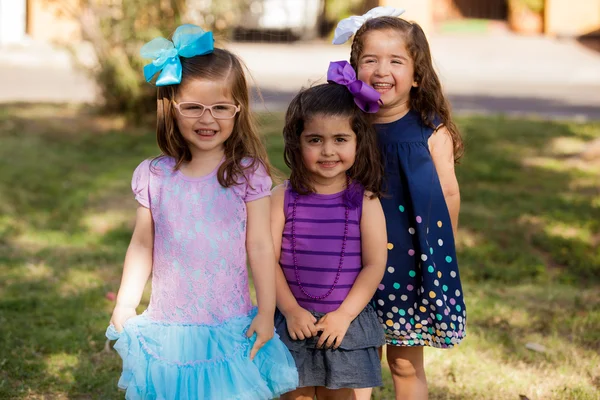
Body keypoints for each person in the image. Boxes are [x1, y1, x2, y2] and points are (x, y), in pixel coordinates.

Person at [105, 24, 298, 400]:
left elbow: (260, 246)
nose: (207, 119)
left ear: (237, 110)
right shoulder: (155, 176)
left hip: (227, 323)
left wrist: (266, 310)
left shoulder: (247, 174)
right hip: (170, 325)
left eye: (221, 108)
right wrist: (127, 303)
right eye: (193, 107)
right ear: (172, 108)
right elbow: (142, 245)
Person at [334, 7, 467, 400]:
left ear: (416, 73)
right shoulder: (344, 127)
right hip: (354, 263)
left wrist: (443, 253)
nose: (381, 70)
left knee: (405, 363)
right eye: (370, 59)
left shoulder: (430, 131)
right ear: (354, 66)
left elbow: (449, 194)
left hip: (410, 268)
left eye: (396, 61)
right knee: (358, 358)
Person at [271, 61, 388, 400]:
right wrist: (291, 310)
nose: (328, 151)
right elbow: (267, 261)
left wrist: (344, 316)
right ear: (297, 142)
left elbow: (374, 264)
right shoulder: (281, 198)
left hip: (344, 325)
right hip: (294, 322)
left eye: (340, 139)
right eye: (315, 139)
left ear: (357, 141)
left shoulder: (365, 200)